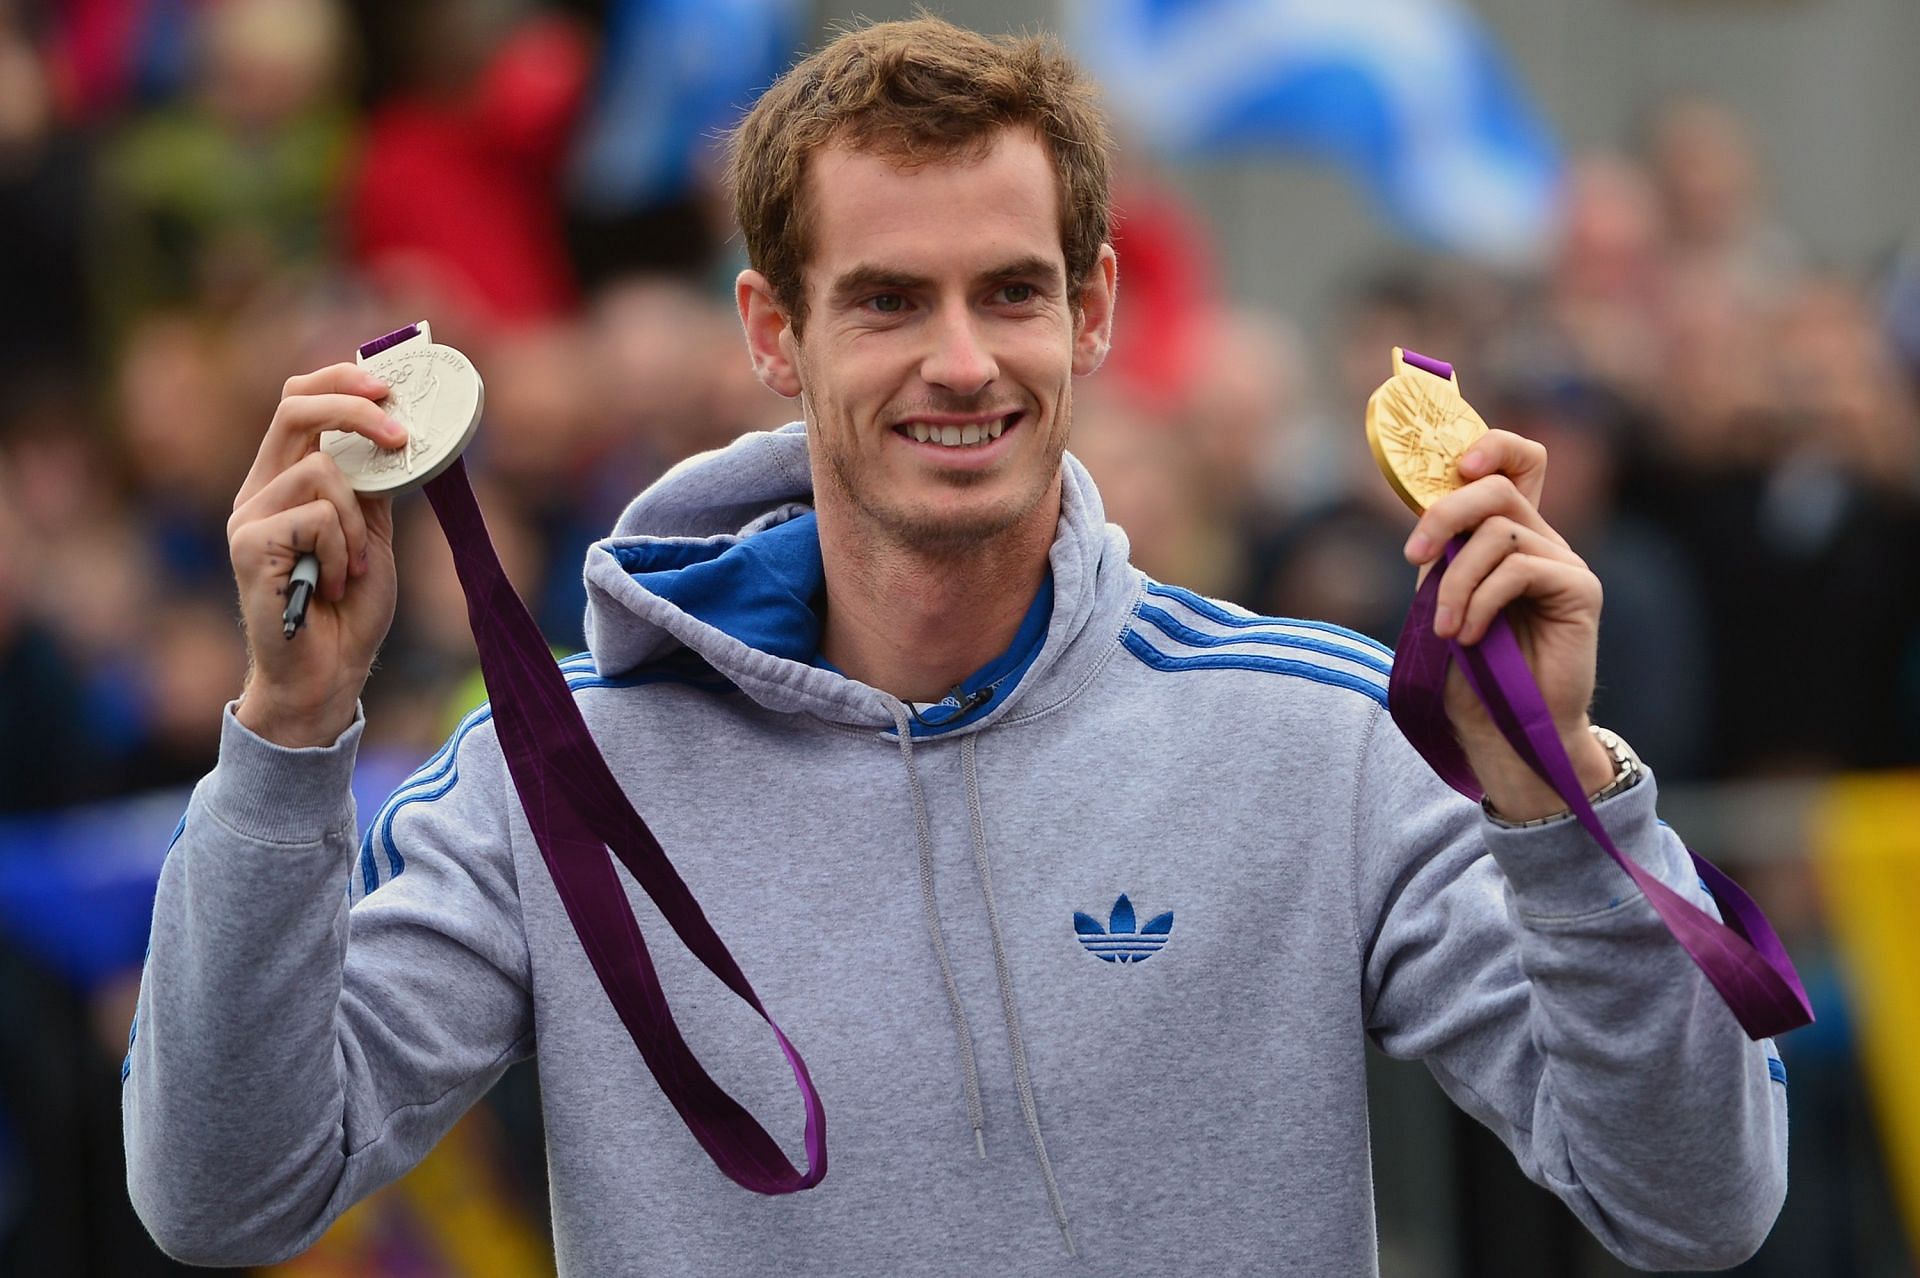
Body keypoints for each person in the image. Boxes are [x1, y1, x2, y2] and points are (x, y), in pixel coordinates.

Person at [124, 18, 1787, 1275]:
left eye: (1010, 291)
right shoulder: (555, 775)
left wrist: (1568, 800)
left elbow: (1694, 1204)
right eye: (886, 300)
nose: (962, 360)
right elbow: (226, 1196)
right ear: (774, 331)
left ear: (1098, 311)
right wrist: (285, 739)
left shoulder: (1322, 738)